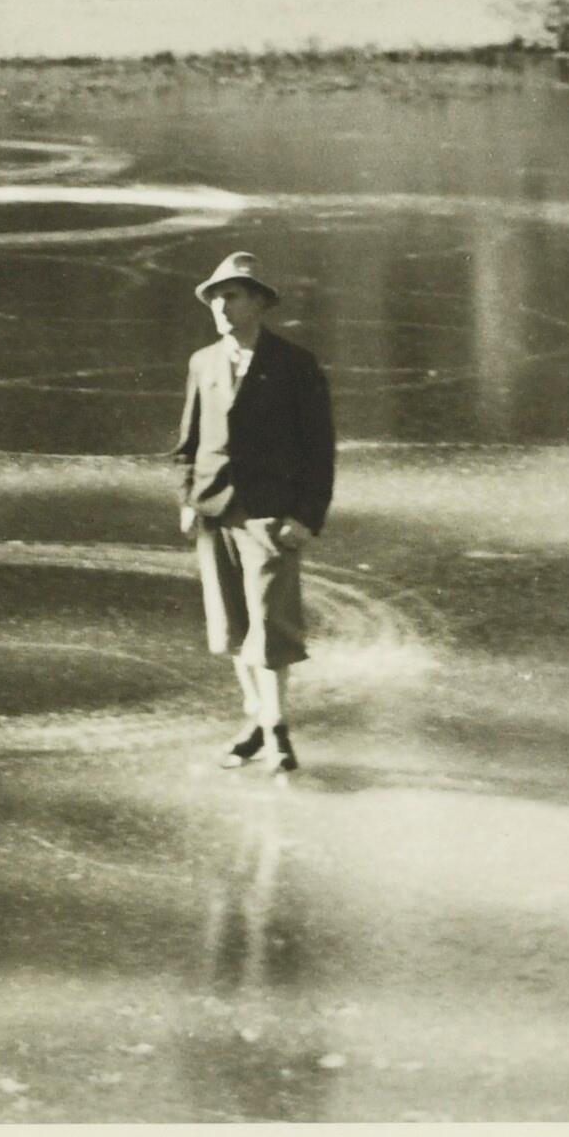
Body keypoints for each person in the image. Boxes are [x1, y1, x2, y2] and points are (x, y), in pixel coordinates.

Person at [169, 251, 335, 774]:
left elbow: (319, 449)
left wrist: (305, 515)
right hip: (215, 507)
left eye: (232, 295)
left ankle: (276, 727)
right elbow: (188, 443)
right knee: (233, 627)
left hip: (270, 514)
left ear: (259, 303)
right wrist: (187, 499)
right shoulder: (203, 363)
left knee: (271, 624)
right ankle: (257, 719)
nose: (221, 306)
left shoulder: (295, 364)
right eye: (215, 297)